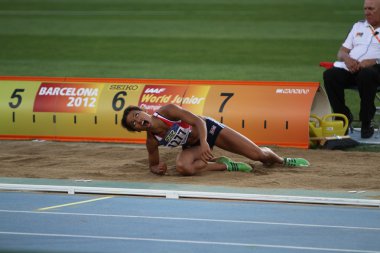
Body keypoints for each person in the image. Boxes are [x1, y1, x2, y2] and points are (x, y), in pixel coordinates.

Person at [121, 104, 309, 176]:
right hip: (194, 145)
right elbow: (153, 164)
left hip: (209, 130)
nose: (138, 120)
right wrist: (157, 169)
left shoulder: (167, 111)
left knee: (259, 156)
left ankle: (282, 160)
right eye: (134, 123)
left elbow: (197, 120)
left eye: (137, 115)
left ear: (144, 110)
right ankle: (226, 165)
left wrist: (204, 141)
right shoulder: (152, 141)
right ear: (136, 130)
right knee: (182, 167)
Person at [323, 0, 380, 139]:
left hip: (376, 70)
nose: (367, 12)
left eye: (371, 9)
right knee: (330, 75)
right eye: (365, 8)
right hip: (353, 68)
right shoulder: (358, 26)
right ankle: (343, 117)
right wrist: (347, 59)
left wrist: (373, 61)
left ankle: (366, 121)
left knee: (366, 74)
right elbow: (342, 51)